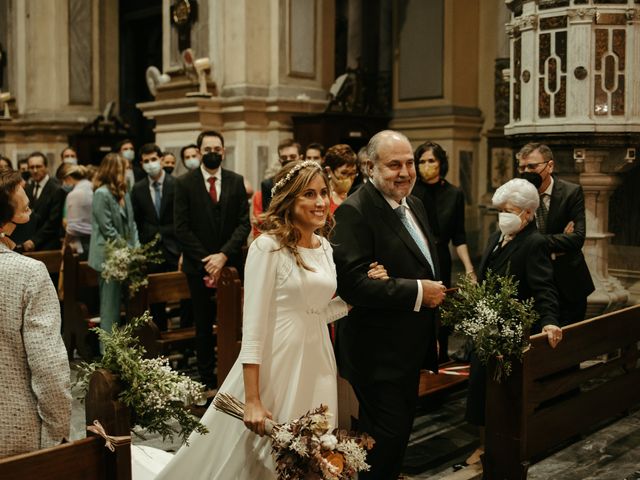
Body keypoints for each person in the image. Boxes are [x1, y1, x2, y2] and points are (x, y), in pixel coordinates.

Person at [155, 160, 387, 479]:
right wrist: (252, 398)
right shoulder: (267, 247)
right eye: (309, 194)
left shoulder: (325, 248)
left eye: (323, 192)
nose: (320, 202)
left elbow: (318, 312)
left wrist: (359, 295)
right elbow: (252, 326)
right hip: (275, 360)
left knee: (311, 445)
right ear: (289, 200)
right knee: (262, 455)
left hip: (317, 359)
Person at [332, 130, 446, 480]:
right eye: (394, 164)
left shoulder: (414, 203)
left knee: (395, 438)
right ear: (369, 166)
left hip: (407, 348)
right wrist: (416, 292)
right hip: (377, 353)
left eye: (409, 162)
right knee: (384, 439)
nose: (406, 172)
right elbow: (352, 284)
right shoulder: (356, 210)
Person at [460, 178, 563, 470]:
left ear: (527, 214)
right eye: (500, 210)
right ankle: (483, 443)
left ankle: (497, 447)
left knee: (501, 393)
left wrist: (550, 322)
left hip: (511, 331)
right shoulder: (498, 236)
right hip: (487, 326)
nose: (502, 215)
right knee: (480, 389)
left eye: (509, 210)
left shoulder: (534, 243)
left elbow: (545, 288)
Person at [0, 170, 71, 458]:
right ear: (9, 220)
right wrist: (58, 434)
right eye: (27, 208)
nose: (32, 212)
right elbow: (48, 365)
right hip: (14, 430)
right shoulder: (28, 273)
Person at [174, 130, 250, 392]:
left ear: (223, 151)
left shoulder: (235, 181)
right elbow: (181, 228)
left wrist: (223, 255)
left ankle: (232, 376)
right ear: (199, 151)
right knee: (203, 324)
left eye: (217, 149)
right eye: (207, 149)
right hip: (199, 266)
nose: (212, 153)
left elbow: (243, 224)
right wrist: (207, 260)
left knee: (233, 322)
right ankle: (206, 379)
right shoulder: (184, 184)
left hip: (229, 265)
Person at [411, 141, 476, 362]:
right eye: (421, 161)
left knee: (442, 312)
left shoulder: (454, 193)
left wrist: (469, 269)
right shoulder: (411, 192)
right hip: (415, 255)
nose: (426, 165)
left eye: (431, 160)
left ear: (441, 163)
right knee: (418, 311)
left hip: (441, 258)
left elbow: (459, 235)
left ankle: (440, 361)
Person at [517, 143, 595, 326]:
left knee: (570, 345)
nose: (525, 171)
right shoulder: (518, 194)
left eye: (532, 166)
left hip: (569, 283)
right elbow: (515, 239)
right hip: (534, 286)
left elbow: (577, 238)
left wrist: (534, 242)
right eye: (522, 167)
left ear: (549, 166)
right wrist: (559, 239)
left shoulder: (571, 192)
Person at [88, 153, 139, 343]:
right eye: (125, 168)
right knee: (110, 306)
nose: (127, 172)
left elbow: (132, 223)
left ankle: (125, 346)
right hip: (108, 257)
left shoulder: (124, 192)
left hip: (126, 253)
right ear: (115, 170)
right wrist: (127, 250)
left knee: (127, 304)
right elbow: (107, 228)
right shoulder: (101, 194)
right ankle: (108, 351)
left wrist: (137, 249)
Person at [132, 143, 180, 331]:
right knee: (156, 298)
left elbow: (181, 218)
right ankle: (161, 337)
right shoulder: (138, 189)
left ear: (161, 159)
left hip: (174, 246)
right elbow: (137, 220)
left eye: (153, 159)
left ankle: (184, 346)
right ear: (141, 164)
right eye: (146, 161)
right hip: (151, 249)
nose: (151, 164)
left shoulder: (176, 184)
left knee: (182, 295)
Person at [20, 151, 65, 252]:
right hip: (27, 244)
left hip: (48, 245)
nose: (35, 170)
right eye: (31, 167)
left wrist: (34, 241)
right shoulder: (27, 188)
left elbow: (54, 221)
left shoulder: (56, 189)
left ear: (46, 167)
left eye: (38, 166)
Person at [62, 165, 93, 259]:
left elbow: (73, 227)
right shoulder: (93, 187)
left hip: (82, 243)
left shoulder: (75, 194)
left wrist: (65, 244)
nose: (64, 184)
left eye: (64, 181)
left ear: (69, 178)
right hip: (94, 240)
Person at [323, 143, 358, 214]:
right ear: (330, 172)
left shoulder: (359, 196)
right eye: (344, 173)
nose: (349, 179)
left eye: (352, 173)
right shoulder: (323, 197)